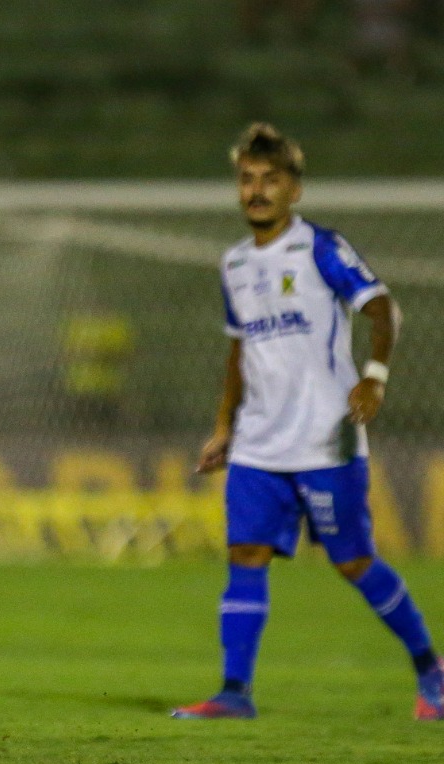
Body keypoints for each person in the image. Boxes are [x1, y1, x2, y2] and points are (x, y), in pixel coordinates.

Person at [172, 122, 443, 721]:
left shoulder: (321, 248)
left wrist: (374, 375)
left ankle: (431, 668)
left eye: (271, 180)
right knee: (245, 554)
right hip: (259, 442)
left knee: (352, 561)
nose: (257, 191)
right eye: (247, 180)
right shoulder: (235, 264)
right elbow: (241, 350)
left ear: (294, 190)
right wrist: (224, 427)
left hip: (325, 434)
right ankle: (234, 693)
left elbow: (381, 307)